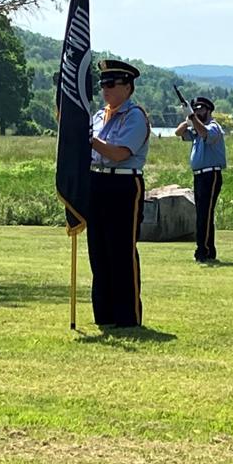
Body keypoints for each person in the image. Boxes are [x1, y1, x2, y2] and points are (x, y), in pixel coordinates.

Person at [88, 59, 151, 327]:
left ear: (128, 87)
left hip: (124, 186)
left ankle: (127, 316)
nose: (106, 90)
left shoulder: (135, 116)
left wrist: (89, 139)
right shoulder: (99, 116)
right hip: (97, 183)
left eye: (111, 84)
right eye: (102, 84)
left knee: (121, 251)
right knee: (99, 251)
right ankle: (104, 315)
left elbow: (118, 153)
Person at [175, 96, 226, 263]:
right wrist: (187, 117)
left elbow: (205, 133)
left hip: (211, 175)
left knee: (205, 214)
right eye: (195, 109)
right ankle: (208, 249)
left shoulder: (213, 127)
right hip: (199, 175)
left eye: (201, 109)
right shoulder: (196, 128)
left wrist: (192, 119)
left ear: (209, 110)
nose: (198, 112)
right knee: (202, 214)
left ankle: (203, 250)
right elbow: (179, 132)